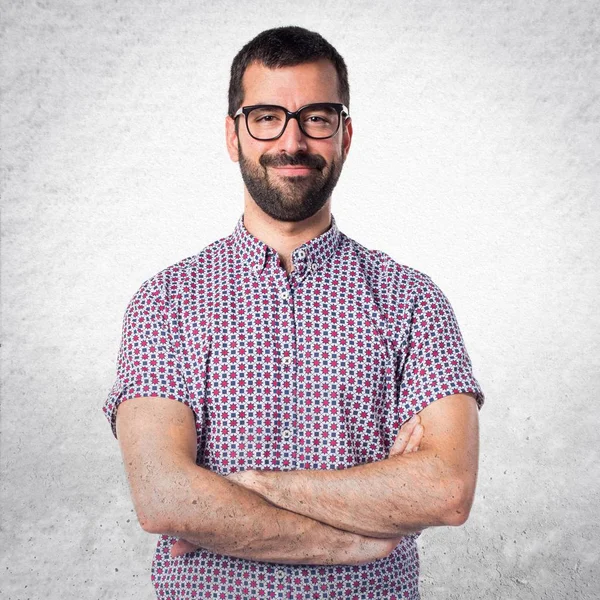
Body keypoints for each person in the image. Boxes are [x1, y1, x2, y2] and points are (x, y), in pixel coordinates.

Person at [103, 25, 484, 600]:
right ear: (233, 136)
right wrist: (348, 537)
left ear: (345, 135)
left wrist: (245, 487)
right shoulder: (166, 303)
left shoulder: (411, 301)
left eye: (317, 118)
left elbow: (446, 490)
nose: (292, 141)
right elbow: (164, 497)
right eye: (265, 117)